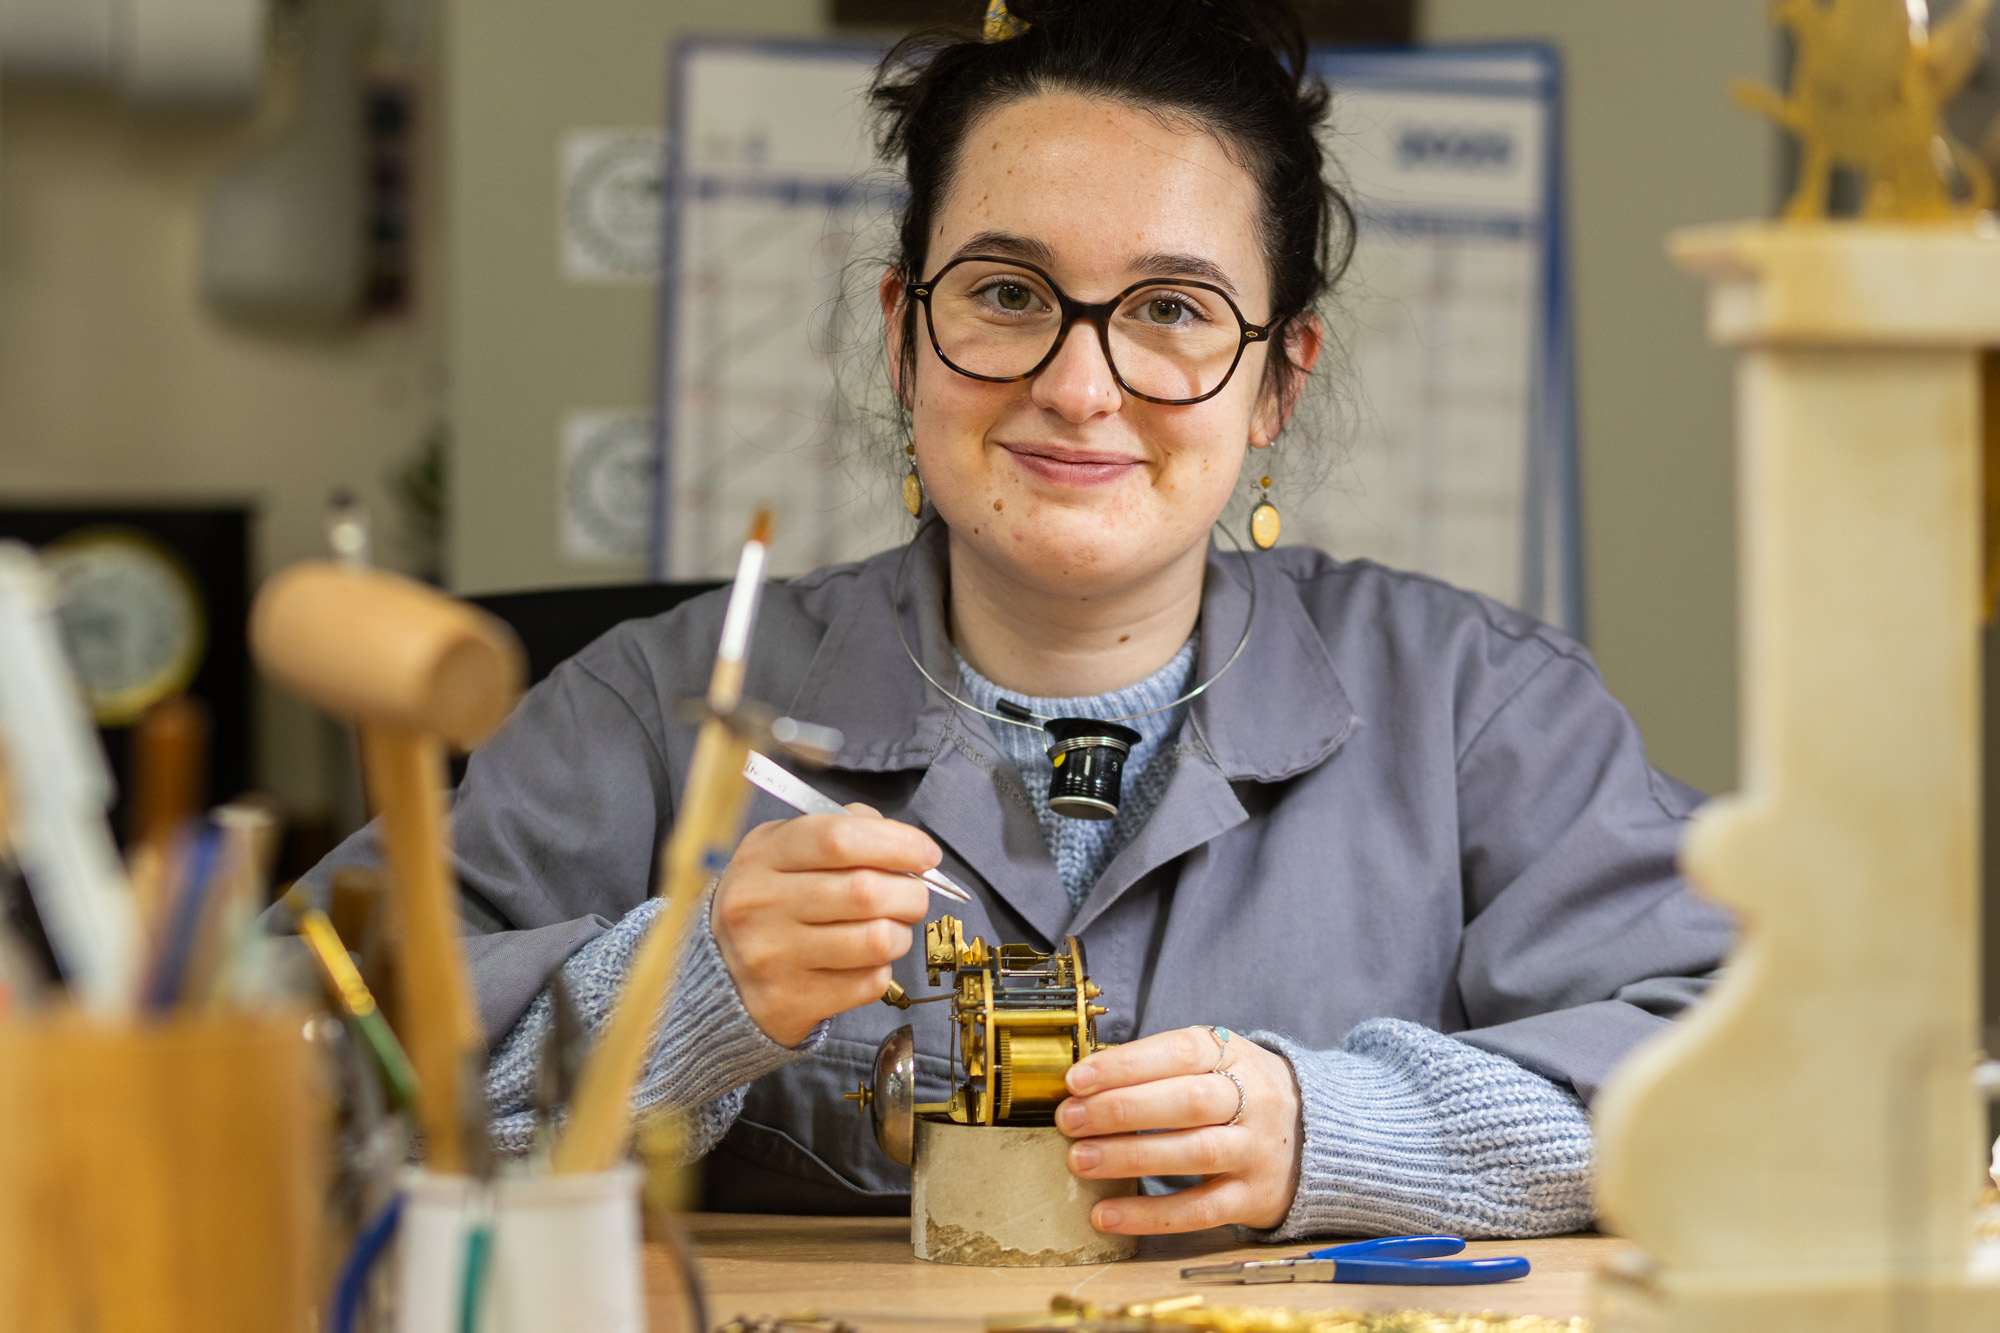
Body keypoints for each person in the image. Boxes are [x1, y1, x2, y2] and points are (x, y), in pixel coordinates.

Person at [302, 0, 1730, 1239]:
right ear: (902, 326)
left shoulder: (1479, 706)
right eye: (1005, 292)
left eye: (1171, 308)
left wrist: (1342, 1128)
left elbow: (1760, 1073)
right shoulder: (651, 711)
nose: (1080, 385)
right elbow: (279, 1070)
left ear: (1277, 381)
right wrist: (681, 993)